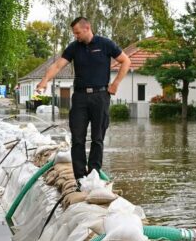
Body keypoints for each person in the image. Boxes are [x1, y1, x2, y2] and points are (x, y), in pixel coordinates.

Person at [36, 17, 130, 181]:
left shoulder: (105, 44)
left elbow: (125, 61)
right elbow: (58, 65)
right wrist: (45, 80)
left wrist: (115, 83)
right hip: (79, 97)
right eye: (74, 33)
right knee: (77, 138)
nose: (76, 36)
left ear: (87, 28)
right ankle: (80, 177)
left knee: (97, 137)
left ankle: (94, 174)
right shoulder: (74, 47)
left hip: (100, 96)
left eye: (77, 32)